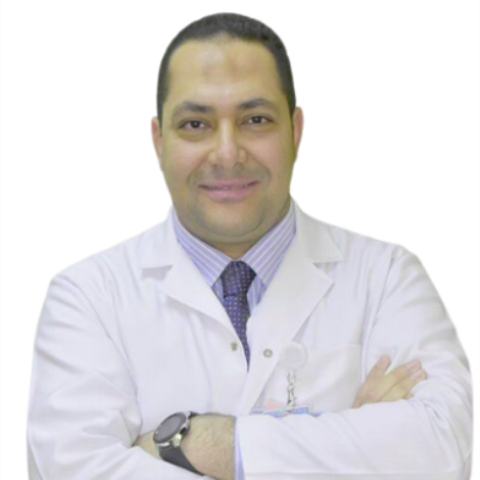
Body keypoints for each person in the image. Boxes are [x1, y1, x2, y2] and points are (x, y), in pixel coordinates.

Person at [27, 12, 472, 480]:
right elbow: (74, 469)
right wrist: (357, 444)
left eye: (255, 120)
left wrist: (199, 443)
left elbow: (442, 445)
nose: (227, 153)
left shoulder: (387, 277)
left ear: (295, 131)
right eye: (195, 124)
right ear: (159, 141)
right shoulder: (87, 298)